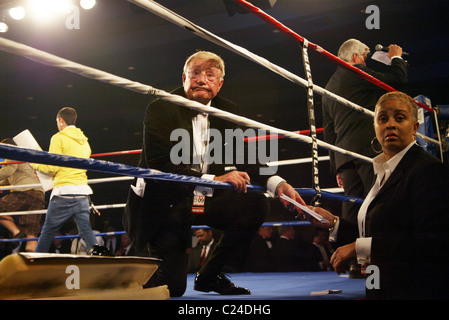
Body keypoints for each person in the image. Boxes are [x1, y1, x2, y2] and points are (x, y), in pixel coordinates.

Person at [123, 51, 304, 297]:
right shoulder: (161, 107)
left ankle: (209, 276)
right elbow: (159, 166)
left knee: (255, 205)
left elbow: (247, 156)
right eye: (195, 73)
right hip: (165, 202)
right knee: (170, 289)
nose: (201, 79)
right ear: (184, 77)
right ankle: (125, 267)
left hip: (203, 197)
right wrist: (214, 180)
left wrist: (277, 183)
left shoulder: (228, 111)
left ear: (219, 84)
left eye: (210, 75)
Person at [312, 92, 449, 299]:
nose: (390, 124)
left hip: (413, 291)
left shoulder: (428, 171)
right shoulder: (382, 171)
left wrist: (360, 247)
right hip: (379, 286)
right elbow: (378, 232)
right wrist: (334, 223)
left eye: (400, 118)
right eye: (383, 118)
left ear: (415, 126)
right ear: (374, 126)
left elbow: (432, 244)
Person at [322, 39, 408, 226]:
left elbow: (329, 132)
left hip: (345, 158)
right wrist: (396, 58)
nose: (365, 62)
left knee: (352, 207)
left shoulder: (328, 87)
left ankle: (351, 251)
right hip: (367, 151)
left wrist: (336, 165)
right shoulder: (357, 72)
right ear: (355, 56)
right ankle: (380, 251)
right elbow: (397, 81)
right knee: (378, 201)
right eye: (364, 57)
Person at [32, 107, 98, 253]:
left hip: (64, 192)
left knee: (48, 231)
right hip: (82, 192)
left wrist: (34, 163)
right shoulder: (84, 142)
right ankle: (104, 259)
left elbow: (51, 167)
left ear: (61, 121)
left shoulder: (58, 137)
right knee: (86, 231)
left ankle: (35, 262)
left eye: (57, 121)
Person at [0, 138, 45, 252]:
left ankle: (16, 232)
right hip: (38, 195)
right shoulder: (23, 158)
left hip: (25, 192)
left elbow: (8, 171)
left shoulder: (12, 152)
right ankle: (32, 263)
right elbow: (9, 179)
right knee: (31, 232)